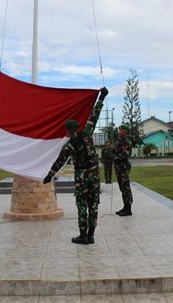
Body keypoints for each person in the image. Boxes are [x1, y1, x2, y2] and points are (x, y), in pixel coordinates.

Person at [43, 87, 109, 245]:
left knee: (82, 206)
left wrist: (49, 176)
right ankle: (91, 235)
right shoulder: (87, 132)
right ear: (77, 128)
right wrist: (101, 97)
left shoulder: (69, 145)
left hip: (82, 178)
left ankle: (82, 236)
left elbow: (60, 161)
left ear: (68, 130)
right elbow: (95, 114)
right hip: (94, 175)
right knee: (94, 205)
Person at [114, 124, 133, 216]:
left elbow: (125, 154)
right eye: (119, 129)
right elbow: (115, 151)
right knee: (122, 187)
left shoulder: (126, 141)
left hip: (123, 165)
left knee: (125, 187)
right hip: (118, 166)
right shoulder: (119, 140)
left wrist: (114, 158)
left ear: (125, 131)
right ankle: (125, 207)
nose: (119, 131)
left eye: (120, 129)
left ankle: (128, 209)